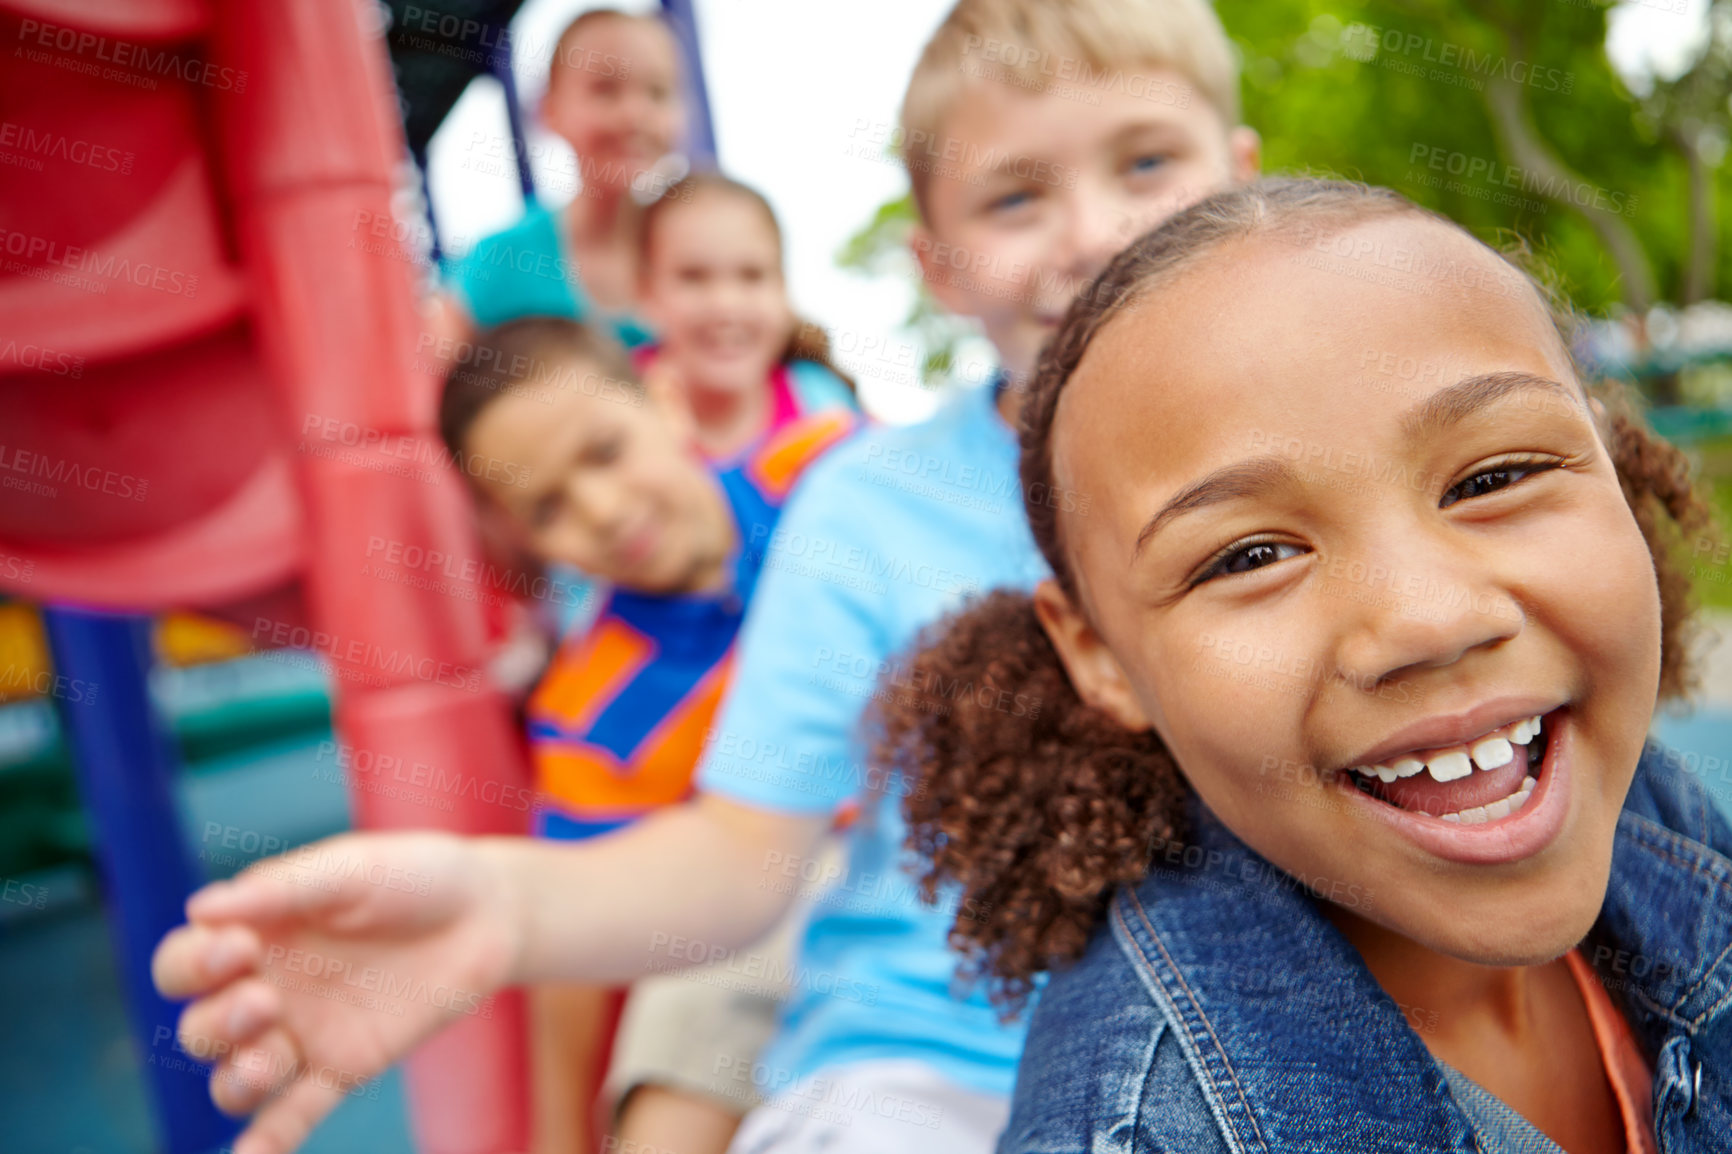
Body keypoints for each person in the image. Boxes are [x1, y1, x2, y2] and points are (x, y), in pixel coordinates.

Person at [147, 3, 1261, 1151]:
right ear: (933, 265)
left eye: (1144, 161)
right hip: (925, 1062)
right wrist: (502, 905)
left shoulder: (802, 450)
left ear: (1239, 176)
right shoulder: (861, 509)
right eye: (1015, 197)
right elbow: (740, 849)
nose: (1089, 231)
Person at [872, 178, 1728, 1154]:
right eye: (1249, 555)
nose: (1428, 619)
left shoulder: (1640, 795)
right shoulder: (1143, 1129)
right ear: (1098, 654)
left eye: (1492, 478)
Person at [444, 316, 853, 1154]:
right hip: (788, 899)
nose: (600, 510)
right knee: (677, 1056)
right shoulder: (589, 710)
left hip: (968, 817)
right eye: (548, 506)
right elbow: (570, 940)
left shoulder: (829, 475)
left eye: (603, 452)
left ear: (665, 400)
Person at [443, 9, 685, 347]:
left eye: (658, 92)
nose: (635, 115)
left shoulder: (705, 254)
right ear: (550, 110)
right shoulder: (499, 263)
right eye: (605, 89)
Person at [636, 172, 858, 462]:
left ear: (782, 289)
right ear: (646, 291)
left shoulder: (822, 405)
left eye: (752, 275)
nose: (725, 305)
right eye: (693, 277)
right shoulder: (619, 402)